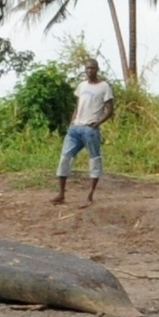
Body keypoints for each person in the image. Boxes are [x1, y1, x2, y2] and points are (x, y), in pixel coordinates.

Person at [55, 58, 114, 206]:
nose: (89, 71)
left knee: (94, 160)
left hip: (90, 129)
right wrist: (72, 122)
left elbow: (110, 110)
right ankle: (61, 194)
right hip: (75, 128)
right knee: (65, 158)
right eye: (87, 68)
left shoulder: (104, 86)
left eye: (92, 68)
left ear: (97, 69)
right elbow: (78, 105)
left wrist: (98, 122)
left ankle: (90, 195)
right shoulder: (81, 85)